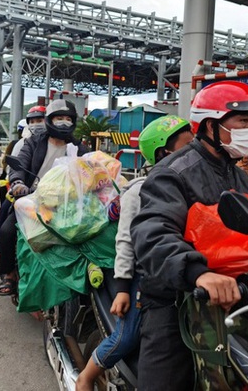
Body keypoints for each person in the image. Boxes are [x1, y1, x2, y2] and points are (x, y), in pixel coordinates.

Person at [130, 81, 248, 390]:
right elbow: (152, 232)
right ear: (210, 125)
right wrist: (197, 272)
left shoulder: (239, 175)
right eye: (243, 121)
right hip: (176, 298)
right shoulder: (172, 171)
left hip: (229, 296)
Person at [76, 115, 194, 391]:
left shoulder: (191, 184)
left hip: (179, 275)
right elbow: (126, 240)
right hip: (145, 276)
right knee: (127, 335)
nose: (195, 151)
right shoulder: (140, 190)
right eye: (188, 146)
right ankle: (87, 376)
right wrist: (122, 288)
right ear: (165, 152)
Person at [0, 99, 87, 296]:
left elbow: (91, 169)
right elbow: (20, 164)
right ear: (50, 121)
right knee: (6, 232)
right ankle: (9, 274)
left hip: (66, 204)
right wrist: (18, 183)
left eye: (67, 119)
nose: (63, 122)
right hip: (33, 199)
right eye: (58, 118)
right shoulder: (34, 142)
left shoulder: (78, 148)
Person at [0, 106, 46, 268]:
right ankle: (7, 270)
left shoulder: (69, 145)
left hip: (59, 197)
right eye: (32, 122)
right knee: (6, 227)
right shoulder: (24, 144)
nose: (36, 125)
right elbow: (15, 167)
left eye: (40, 120)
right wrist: (18, 183)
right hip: (28, 194)